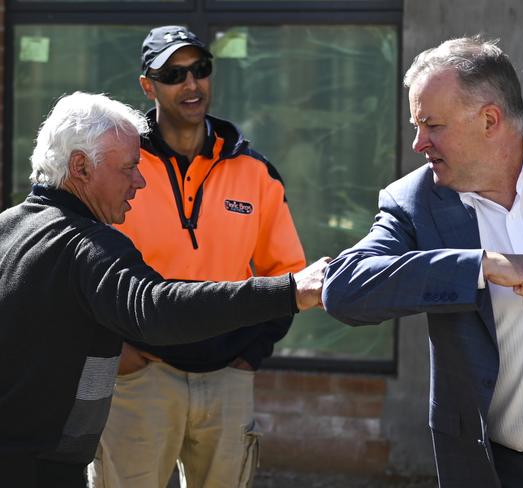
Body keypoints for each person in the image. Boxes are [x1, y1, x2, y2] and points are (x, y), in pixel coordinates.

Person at [323, 35, 523, 488]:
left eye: (432, 125)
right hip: (495, 473)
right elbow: (344, 289)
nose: (419, 143)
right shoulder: (415, 203)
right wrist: (478, 266)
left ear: (489, 120)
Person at [0, 91, 328, 488]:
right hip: (42, 469)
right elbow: (157, 310)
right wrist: (292, 291)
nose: (139, 182)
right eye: (128, 169)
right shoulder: (88, 246)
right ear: (81, 167)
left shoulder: (9, 227)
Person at [89, 26, 307, 488]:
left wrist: (251, 353)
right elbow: (84, 265)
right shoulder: (120, 166)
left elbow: (286, 274)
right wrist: (117, 352)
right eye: (173, 74)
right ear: (148, 86)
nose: (191, 84)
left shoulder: (255, 171)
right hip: (138, 377)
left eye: (200, 70)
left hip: (228, 377)